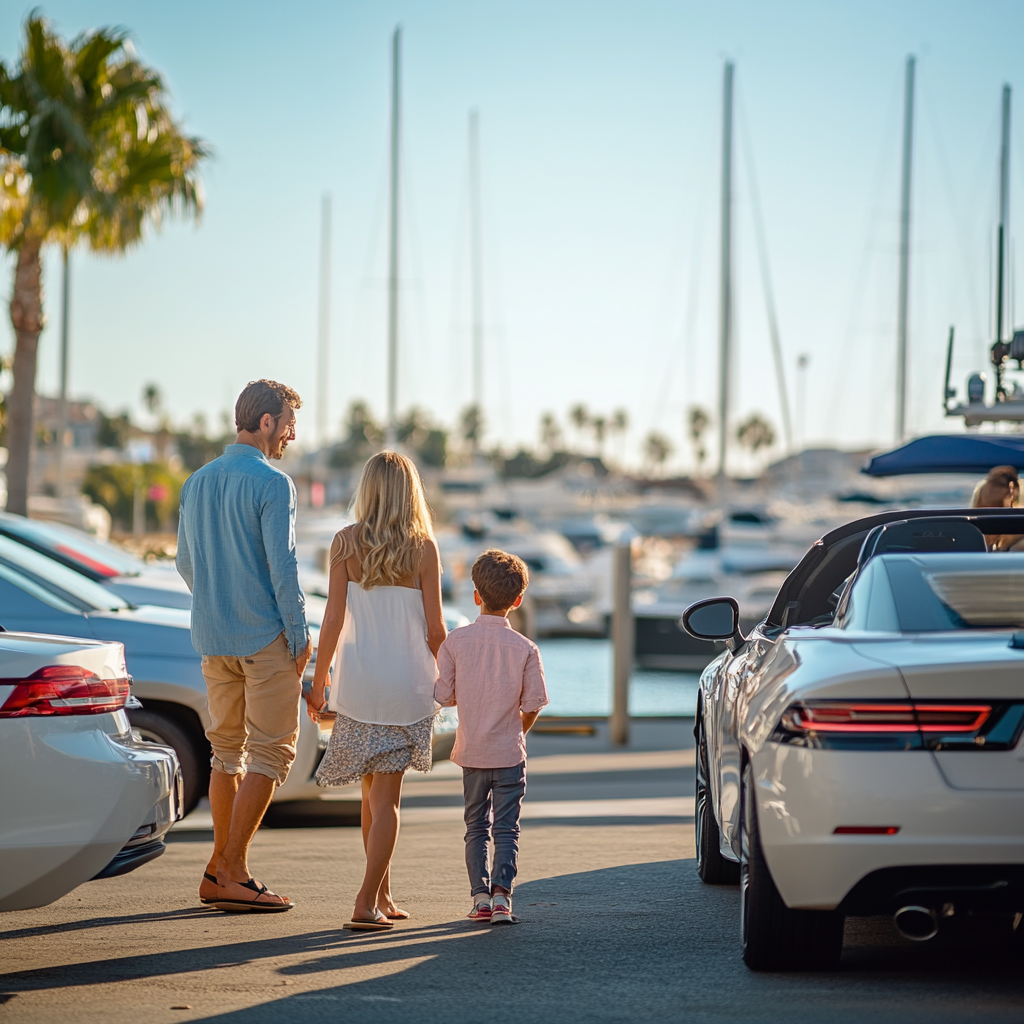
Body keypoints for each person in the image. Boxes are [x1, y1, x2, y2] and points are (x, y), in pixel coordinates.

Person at [177, 379, 311, 913]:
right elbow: (284, 569)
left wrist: (217, 603)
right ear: (264, 423)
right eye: (288, 424)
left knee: (226, 752)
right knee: (272, 752)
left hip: (213, 638)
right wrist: (298, 639)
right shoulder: (273, 484)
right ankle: (232, 870)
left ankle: (220, 869)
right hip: (264, 638)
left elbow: (185, 564)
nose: (292, 435)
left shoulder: (196, 481)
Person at [308, 451, 447, 931]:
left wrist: (318, 678)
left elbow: (331, 619)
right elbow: (435, 630)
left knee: (371, 797)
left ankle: (382, 892)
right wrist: (451, 678)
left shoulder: (345, 543)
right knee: (386, 797)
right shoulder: (423, 549)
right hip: (405, 686)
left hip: (359, 683)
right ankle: (366, 900)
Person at [435, 548, 549, 926]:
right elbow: (533, 703)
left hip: (472, 752)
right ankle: (503, 898)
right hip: (510, 753)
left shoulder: (454, 642)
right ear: (518, 601)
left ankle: (479, 898)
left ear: (475, 596)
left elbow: (444, 695)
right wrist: (518, 728)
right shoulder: (526, 648)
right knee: (506, 828)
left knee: (475, 827)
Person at [971, 465, 1023, 551]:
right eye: (989, 480)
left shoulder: (1018, 538)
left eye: (998, 483)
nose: (990, 487)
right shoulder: (964, 530)